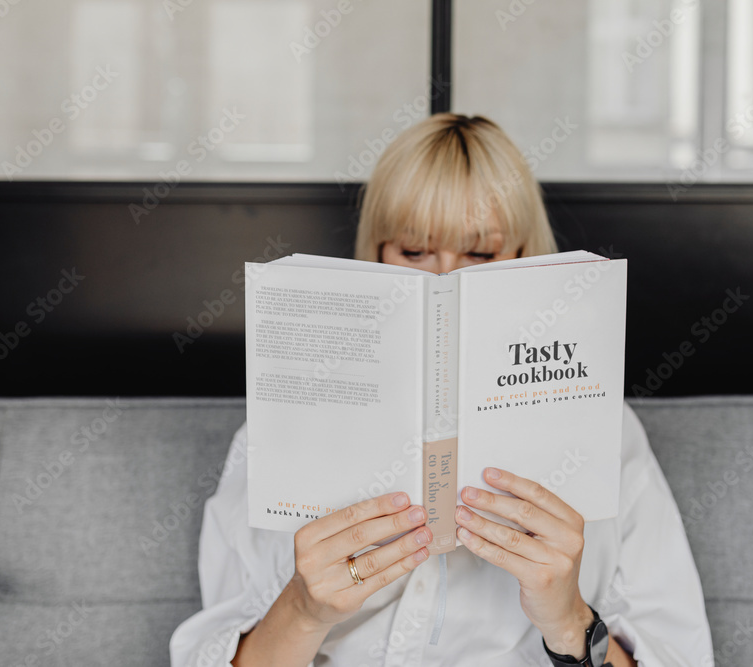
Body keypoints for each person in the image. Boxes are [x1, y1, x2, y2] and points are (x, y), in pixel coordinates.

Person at [170, 114, 713, 666]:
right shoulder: (279, 427)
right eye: (414, 251)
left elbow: (681, 655)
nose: (444, 283)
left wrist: (568, 620)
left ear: (525, 258)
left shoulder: (606, 433)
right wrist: (303, 611)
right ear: (377, 254)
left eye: (479, 255)